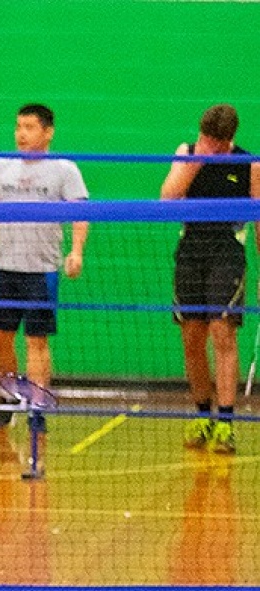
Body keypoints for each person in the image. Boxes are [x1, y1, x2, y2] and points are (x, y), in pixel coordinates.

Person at [0, 103, 89, 432]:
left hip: (42, 271)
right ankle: (7, 397)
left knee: (37, 341)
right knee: (0, 340)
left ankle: (36, 406)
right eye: (18, 126)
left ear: (48, 132)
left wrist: (76, 251)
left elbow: (81, 213)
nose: (21, 133)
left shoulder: (64, 170)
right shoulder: (1, 168)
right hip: (4, 268)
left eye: (30, 127)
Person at [161, 103, 260, 455]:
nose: (208, 143)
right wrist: (196, 163)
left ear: (229, 141)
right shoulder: (186, 153)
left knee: (222, 331)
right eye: (204, 137)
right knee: (191, 336)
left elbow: (258, 216)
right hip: (190, 249)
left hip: (227, 252)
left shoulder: (250, 164)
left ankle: (227, 423)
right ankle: (204, 415)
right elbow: (167, 198)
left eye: (214, 142)